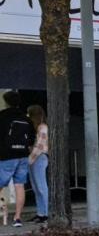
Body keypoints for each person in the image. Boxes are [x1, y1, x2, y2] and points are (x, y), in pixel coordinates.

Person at [0, 91, 35, 227]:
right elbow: (31, 139)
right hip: (23, 156)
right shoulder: (26, 119)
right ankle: (17, 218)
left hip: (7, 156)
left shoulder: (2, 116)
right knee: (19, 186)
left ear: (6, 102)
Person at [27, 105, 49, 223]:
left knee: (41, 186)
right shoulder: (36, 128)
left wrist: (29, 159)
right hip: (34, 158)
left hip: (39, 158)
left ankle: (45, 213)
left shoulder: (43, 127)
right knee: (36, 188)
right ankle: (40, 213)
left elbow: (40, 146)